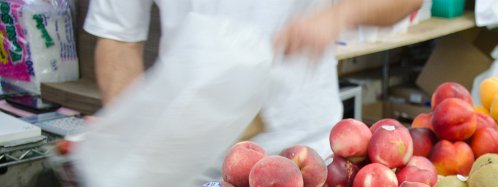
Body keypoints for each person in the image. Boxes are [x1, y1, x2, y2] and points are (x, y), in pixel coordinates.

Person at [83, 0, 422, 156]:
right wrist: (130, 131)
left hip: (306, 158)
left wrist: (341, 13)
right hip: (190, 163)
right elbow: (117, 38)